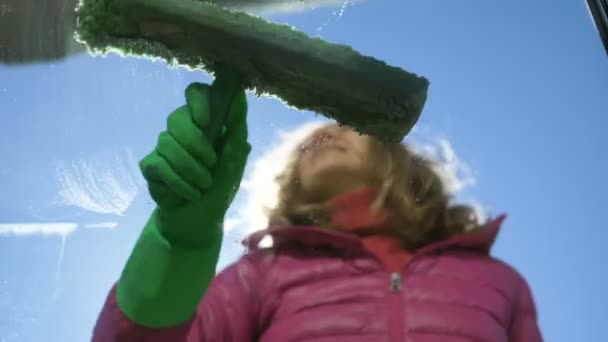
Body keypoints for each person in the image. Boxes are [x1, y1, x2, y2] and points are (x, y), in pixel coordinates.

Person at [92, 82, 543, 341]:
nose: (325, 133)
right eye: (308, 140)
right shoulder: (264, 274)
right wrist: (178, 242)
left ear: (398, 160)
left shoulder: (498, 282)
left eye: (347, 126)